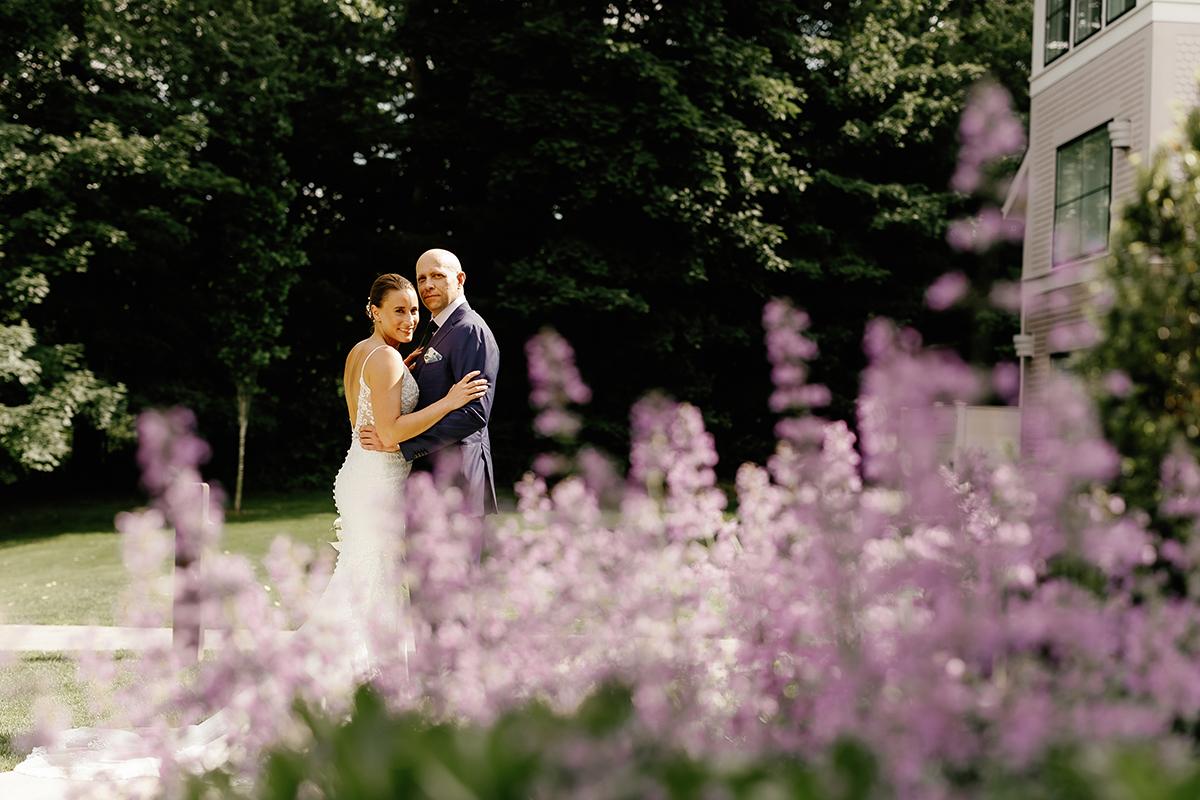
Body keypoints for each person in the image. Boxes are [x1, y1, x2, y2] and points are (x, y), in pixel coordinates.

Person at [0, 274, 488, 798]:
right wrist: (450, 399)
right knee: (370, 597)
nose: (411, 320)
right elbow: (390, 433)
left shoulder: (362, 355)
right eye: (399, 311)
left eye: (414, 311)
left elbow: (362, 421)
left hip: (359, 475)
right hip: (375, 488)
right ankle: (360, 715)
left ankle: (348, 710)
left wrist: (399, 399)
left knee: (357, 597)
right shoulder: (388, 359)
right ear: (372, 310)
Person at [360, 249, 501, 517]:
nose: (427, 285)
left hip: (459, 482)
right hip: (431, 482)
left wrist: (402, 446)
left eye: (437, 275)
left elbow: (472, 414)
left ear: (459, 279)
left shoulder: (469, 330)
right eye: (421, 278)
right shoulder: (436, 330)